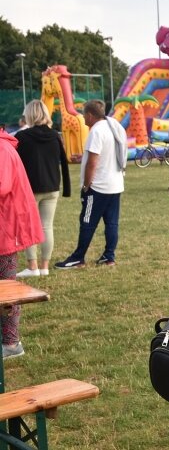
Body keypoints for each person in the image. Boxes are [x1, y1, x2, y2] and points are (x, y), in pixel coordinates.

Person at [55, 100, 127, 269]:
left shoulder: (96, 131)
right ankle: (109, 257)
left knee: (87, 222)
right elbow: (104, 155)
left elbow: (93, 163)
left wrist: (87, 185)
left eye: (83, 115)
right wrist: (83, 157)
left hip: (98, 186)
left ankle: (78, 258)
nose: (83, 119)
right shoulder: (114, 126)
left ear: (89, 115)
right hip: (115, 184)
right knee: (112, 223)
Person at [14, 100, 72, 277]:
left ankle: (32, 267)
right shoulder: (55, 135)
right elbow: (64, 162)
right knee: (47, 226)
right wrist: (67, 188)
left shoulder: (21, 137)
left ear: (29, 115)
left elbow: (15, 164)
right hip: (52, 186)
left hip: (29, 188)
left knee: (28, 226)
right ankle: (44, 266)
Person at [0, 128, 44, 359]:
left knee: (7, 290)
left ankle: (11, 342)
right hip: (4, 229)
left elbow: (2, 185)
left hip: (5, 232)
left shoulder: (3, 149)